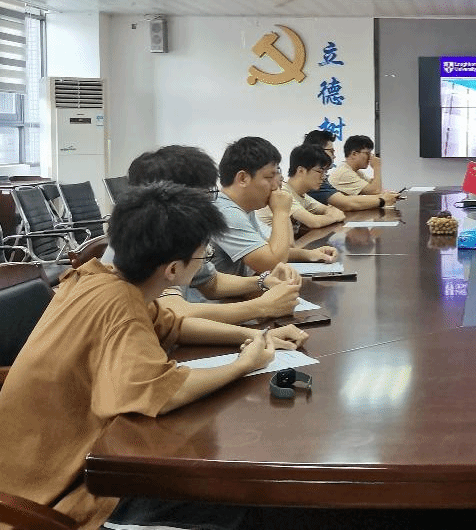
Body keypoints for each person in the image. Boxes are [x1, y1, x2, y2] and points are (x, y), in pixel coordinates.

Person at [0, 183, 309, 530]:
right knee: (238, 508)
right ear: (173, 270)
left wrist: (255, 336)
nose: (205, 261)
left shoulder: (98, 278)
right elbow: (163, 392)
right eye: (203, 256)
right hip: (55, 497)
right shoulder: (120, 307)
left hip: (47, 464)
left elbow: (173, 324)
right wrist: (243, 365)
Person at [125, 145, 302, 323]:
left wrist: (263, 281)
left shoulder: (174, 233)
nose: (209, 203)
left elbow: (210, 281)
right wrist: (263, 306)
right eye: (203, 195)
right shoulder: (146, 242)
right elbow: (173, 313)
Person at [212, 136, 337, 276]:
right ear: (243, 178)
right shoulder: (226, 213)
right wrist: (281, 212)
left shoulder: (243, 208)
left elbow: (267, 249)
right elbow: (272, 264)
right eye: (269, 177)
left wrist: (309, 254)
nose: (275, 185)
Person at [258, 144, 346, 231]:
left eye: (325, 172)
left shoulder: (302, 195)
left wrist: (332, 215)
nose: (323, 177)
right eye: (320, 171)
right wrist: (334, 217)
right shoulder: (283, 192)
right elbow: (314, 222)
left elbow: (331, 210)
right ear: (301, 170)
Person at [327, 134, 400, 210]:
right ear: (354, 154)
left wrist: (389, 195)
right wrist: (377, 167)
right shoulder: (344, 173)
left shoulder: (356, 171)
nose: (370, 157)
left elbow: (375, 187)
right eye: (367, 153)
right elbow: (376, 191)